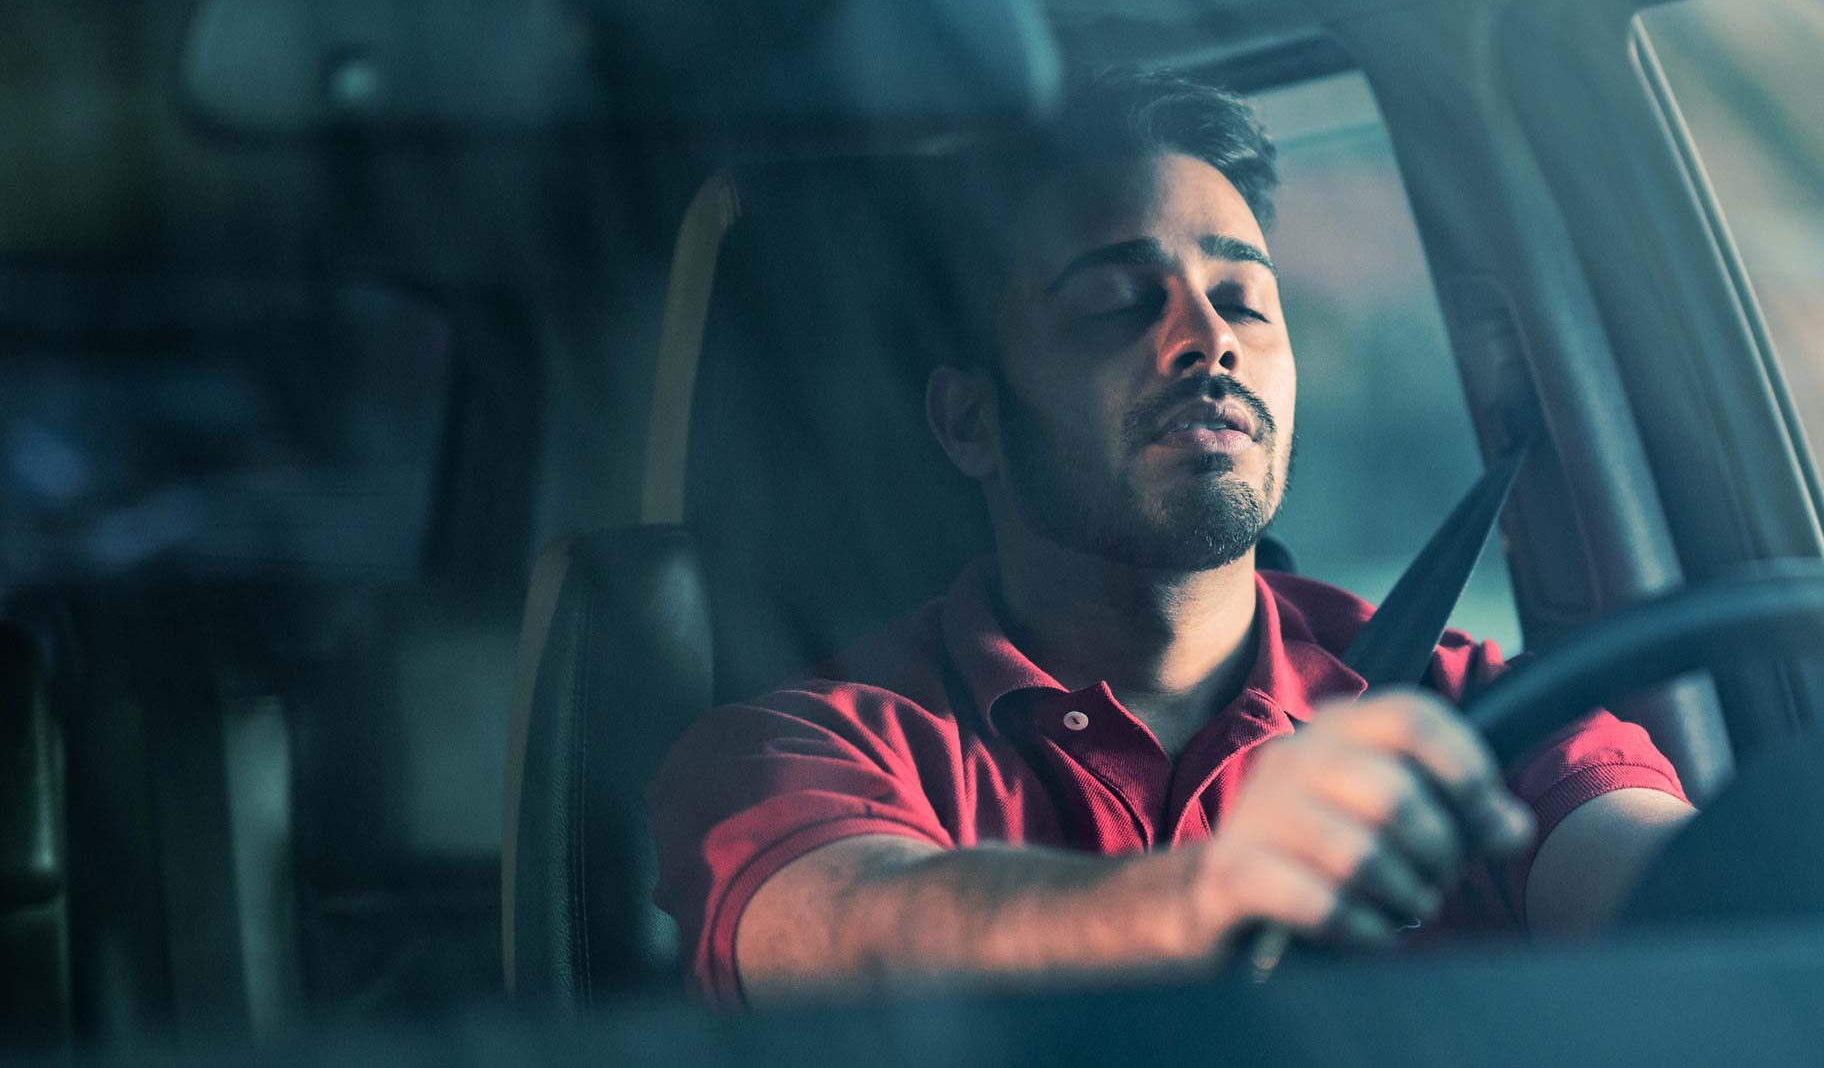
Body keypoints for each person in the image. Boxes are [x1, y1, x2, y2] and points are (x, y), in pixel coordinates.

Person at [649, 69, 1692, 1005]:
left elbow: (1689, 887)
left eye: (1244, 298)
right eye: (1114, 303)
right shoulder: (804, 749)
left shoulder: (1473, 718)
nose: (1211, 339)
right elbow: (856, 933)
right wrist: (1203, 900)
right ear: (972, 421)